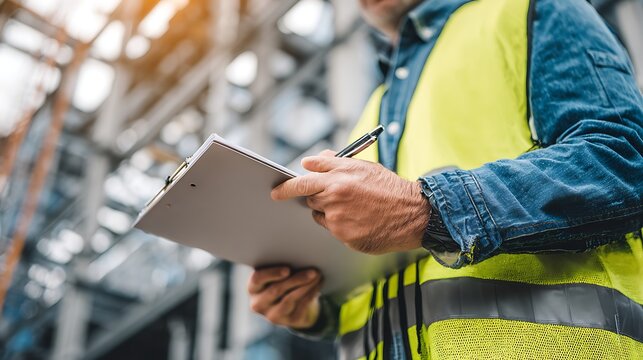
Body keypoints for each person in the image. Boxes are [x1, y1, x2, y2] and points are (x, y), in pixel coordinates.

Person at [248, 0, 643, 358]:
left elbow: (625, 162)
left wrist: (426, 211)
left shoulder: (527, 10)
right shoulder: (373, 109)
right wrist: (313, 307)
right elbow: (389, 279)